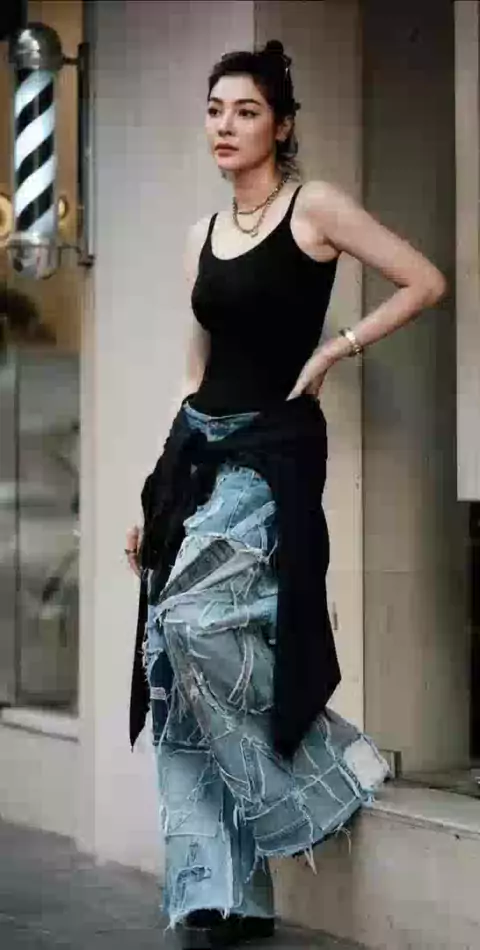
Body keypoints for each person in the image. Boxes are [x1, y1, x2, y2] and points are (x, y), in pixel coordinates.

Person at [125, 40, 446, 949]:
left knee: (198, 623)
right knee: (173, 659)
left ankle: (333, 766)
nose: (225, 126)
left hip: (272, 453)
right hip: (199, 449)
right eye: (215, 111)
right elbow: (195, 376)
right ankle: (221, 895)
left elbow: (426, 280)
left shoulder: (316, 208)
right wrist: (152, 497)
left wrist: (338, 347)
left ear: (283, 124)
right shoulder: (201, 235)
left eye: (246, 111)